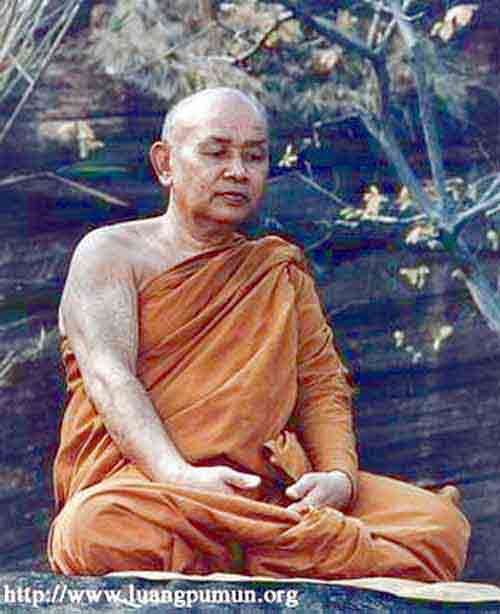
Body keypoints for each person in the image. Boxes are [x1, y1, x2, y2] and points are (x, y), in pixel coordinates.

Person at [48, 87, 470, 579]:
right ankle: (275, 551)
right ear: (165, 163)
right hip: (152, 487)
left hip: (267, 491)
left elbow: (321, 387)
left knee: (439, 526)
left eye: (254, 156)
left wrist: (338, 477)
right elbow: (109, 376)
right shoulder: (110, 254)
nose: (238, 171)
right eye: (216, 152)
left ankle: (244, 547)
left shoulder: (277, 270)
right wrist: (177, 474)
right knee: (95, 527)